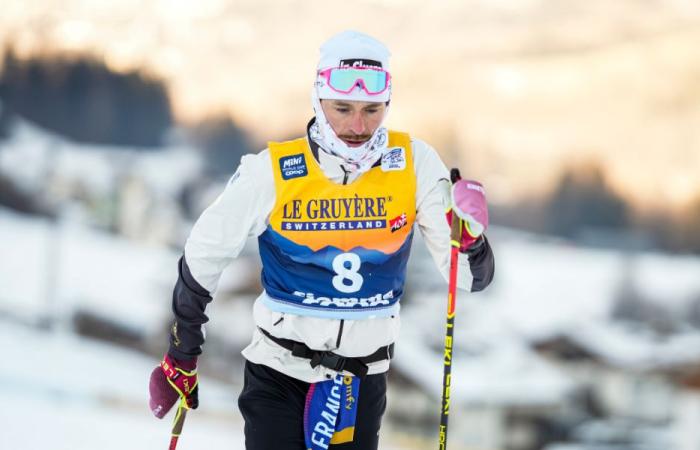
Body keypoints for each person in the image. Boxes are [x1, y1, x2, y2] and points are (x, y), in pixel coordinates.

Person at [148, 30, 495, 450]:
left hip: (361, 383)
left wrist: (471, 239)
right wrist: (182, 351)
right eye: (342, 108)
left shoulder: (414, 163)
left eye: (372, 109)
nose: (357, 126)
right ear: (318, 101)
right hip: (279, 371)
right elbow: (205, 250)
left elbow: (468, 279)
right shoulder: (274, 170)